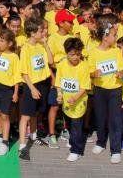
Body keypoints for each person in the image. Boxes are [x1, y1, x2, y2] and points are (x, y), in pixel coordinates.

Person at [87, 13, 123, 164]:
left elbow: (122, 69)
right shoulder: (93, 53)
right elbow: (90, 71)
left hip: (115, 89)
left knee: (115, 120)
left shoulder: (117, 51)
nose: (116, 38)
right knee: (101, 118)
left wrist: (120, 73)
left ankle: (115, 150)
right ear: (105, 37)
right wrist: (93, 73)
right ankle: (101, 142)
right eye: (114, 35)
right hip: (99, 90)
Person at [18, 16, 54, 161]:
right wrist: (32, 88)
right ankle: (22, 146)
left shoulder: (41, 45)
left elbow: (50, 61)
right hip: (31, 85)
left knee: (36, 113)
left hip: (43, 83)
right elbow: (24, 72)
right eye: (41, 31)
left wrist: (46, 45)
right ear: (32, 33)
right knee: (26, 115)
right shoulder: (25, 49)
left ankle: (33, 135)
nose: (44, 33)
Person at [56, 37, 92, 162]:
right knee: (69, 124)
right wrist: (59, 94)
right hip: (66, 102)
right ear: (66, 53)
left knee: (77, 126)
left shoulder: (84, 66)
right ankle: (73, 141)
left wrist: (75, 98)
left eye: (78, 54)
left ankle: (76, 150)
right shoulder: (61, 65)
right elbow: (59, 83)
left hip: (79, 102)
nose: (75, 57)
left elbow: (84, 87)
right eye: (72, 55)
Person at [45, 9, 76, 149]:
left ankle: (65, 130)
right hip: (56, 75)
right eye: (69, 22)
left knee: (68, 104)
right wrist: (53, 77)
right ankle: (51, 134)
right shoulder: (52, 38)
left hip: (70, 76)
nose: (72, 24)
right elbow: (49, 62)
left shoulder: (73, 37)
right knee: (54, 106)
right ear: (61, 23)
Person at [0, 29, 20, 156]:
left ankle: (5, 142)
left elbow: (17, 76)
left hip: (7, 89)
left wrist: (15, 92)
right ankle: (0, 135)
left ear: (10, 43)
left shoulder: (14, 57)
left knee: (5, 115)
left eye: (2, 41)